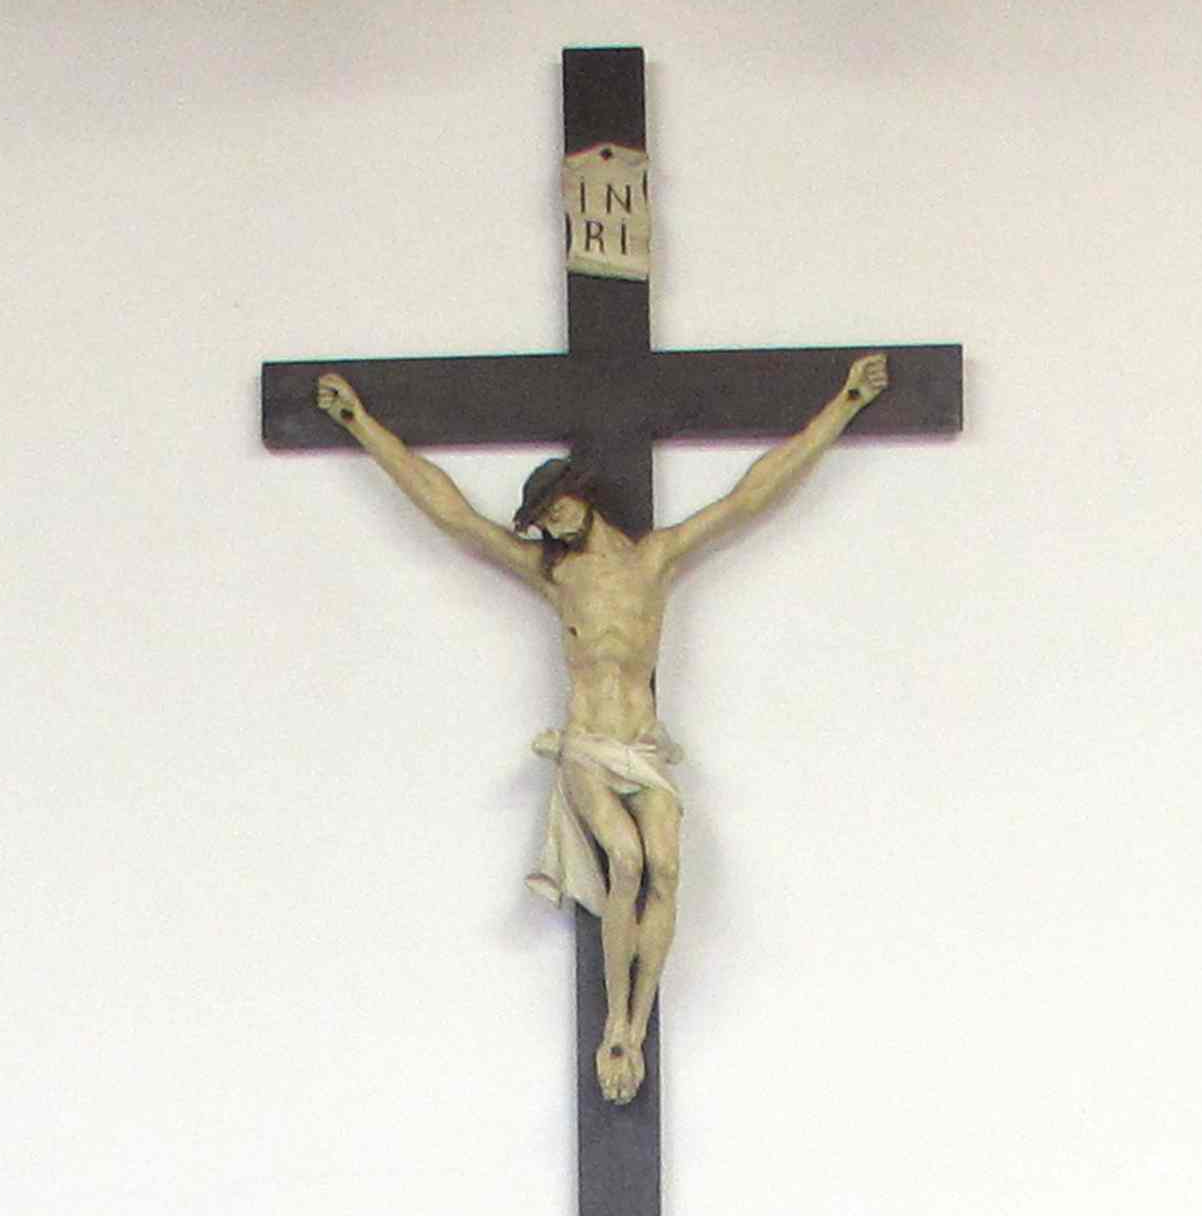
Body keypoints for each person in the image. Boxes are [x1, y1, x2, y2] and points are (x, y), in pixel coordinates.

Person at [309, 352, 900, 1103]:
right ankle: (614, 1023)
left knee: (668, 868)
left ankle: (638, 1020)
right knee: (625, 859)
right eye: (543, 517)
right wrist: (360, 423)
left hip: (643, 747)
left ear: (581, 496)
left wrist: (845, 404)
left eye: (557, 507)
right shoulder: (555, 575)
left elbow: (752, 495)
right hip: (589, 747)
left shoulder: (655, 560)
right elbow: (452, 514)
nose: (552, 523)